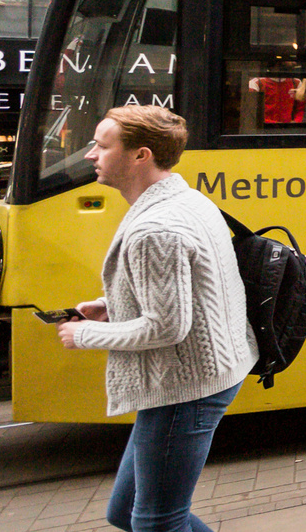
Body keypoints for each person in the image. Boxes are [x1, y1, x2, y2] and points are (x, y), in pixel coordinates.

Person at [55, 105, 258, 531]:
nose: (90, 154)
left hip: (184, 386)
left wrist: (87, 333)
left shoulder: (156, 228)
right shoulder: (185, 199)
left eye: (102, 145)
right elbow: (196, 287)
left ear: (140, 155)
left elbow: (166, 327)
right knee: (128, 514)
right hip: (199, 372)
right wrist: (113, 304)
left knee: (155, 522)